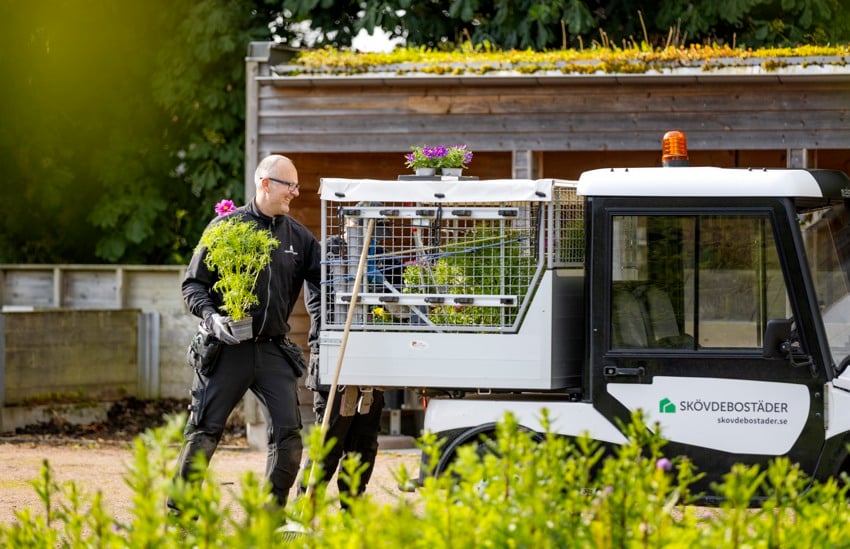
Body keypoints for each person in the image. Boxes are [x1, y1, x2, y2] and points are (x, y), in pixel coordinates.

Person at [170, 154, 321, 511]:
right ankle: (181, 517)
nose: (296, 192)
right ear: (265, 183)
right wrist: (212, 318)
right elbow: (193, 285)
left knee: (288, 436)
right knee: (204, 431)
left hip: (273, 349)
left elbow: (326, 282)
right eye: (290, 185)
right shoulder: (225, 228)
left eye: (297, 185)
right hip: (227, 347)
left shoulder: (299, 237)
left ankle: (271, 516)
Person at [299, 265, 385, 505]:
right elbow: (319, 312)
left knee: (364, 445)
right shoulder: (324, 260)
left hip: (371, 361)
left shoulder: (378, 259)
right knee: (329, 445)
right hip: (334, 360)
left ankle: (352, 510)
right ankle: (304, 509)